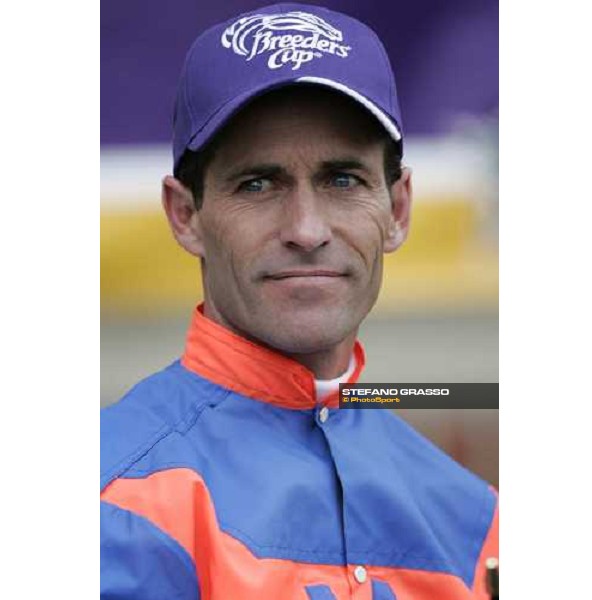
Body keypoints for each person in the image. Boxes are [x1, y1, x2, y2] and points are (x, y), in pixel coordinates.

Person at [100, 3, 499, 599]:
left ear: (397, 210)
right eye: (257, 183)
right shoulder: (106, 497)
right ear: (185, 215)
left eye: (343, 180)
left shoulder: (478, 522)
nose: (307, 230)